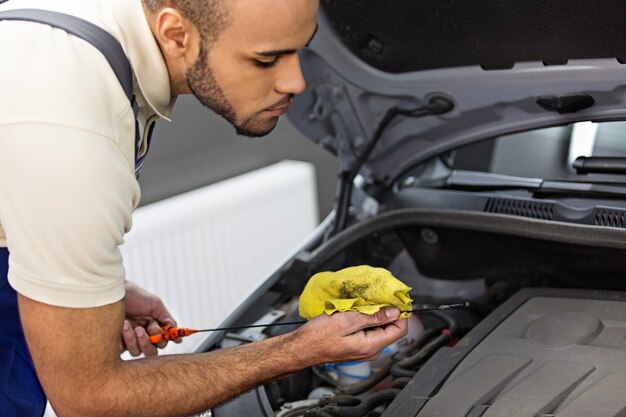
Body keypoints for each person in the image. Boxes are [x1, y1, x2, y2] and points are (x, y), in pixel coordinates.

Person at [0, 0, 409, 416]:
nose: (295, 81)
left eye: (300, 50)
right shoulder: (69, 133)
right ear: (176, 34)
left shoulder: (99, 32)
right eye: (266, 59)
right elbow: (90, 399)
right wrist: (297, 350)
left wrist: (91, 295)